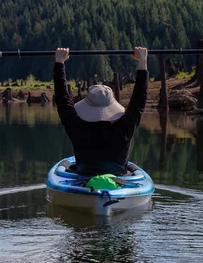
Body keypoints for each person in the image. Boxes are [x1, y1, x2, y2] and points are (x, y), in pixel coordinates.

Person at [53, 47, 148, 176]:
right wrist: (142, 61)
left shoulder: (76, 126)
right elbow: (139, 100)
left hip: (83, 178)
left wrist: (59, 62)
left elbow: (62, 98)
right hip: (118, 181)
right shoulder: (125, 127)